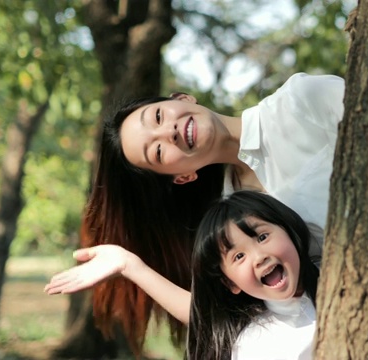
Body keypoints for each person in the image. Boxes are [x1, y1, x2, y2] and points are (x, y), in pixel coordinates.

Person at [44, 72, 343, 352]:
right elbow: (224, 316)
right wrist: (129, 265)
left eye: (158, 116)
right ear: (182, 176)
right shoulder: (231, 228)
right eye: (158, 152)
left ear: (183, 98)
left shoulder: (304, 100)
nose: (168, 133)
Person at [187, 190, 320, 360]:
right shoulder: (253, 347)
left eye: (263, 237)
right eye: (239, 256)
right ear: (230, 283)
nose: (259, 257)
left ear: (289, 230)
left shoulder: (343, 275)